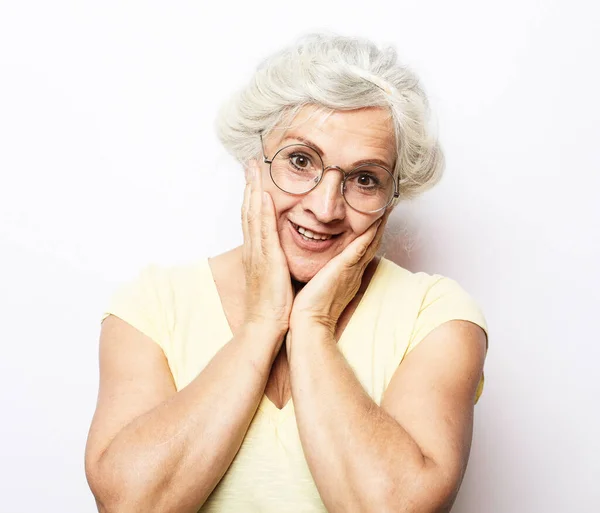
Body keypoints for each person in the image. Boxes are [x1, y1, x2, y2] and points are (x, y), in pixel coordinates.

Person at [85, 33, 488, 513]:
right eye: (301, 161)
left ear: (392, 197)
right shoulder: (152, 305)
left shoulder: (436, 317)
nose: (325, 208)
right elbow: (131, 505)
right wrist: (263, 324)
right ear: (253, 160)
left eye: (365, 179)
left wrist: (312, 326)